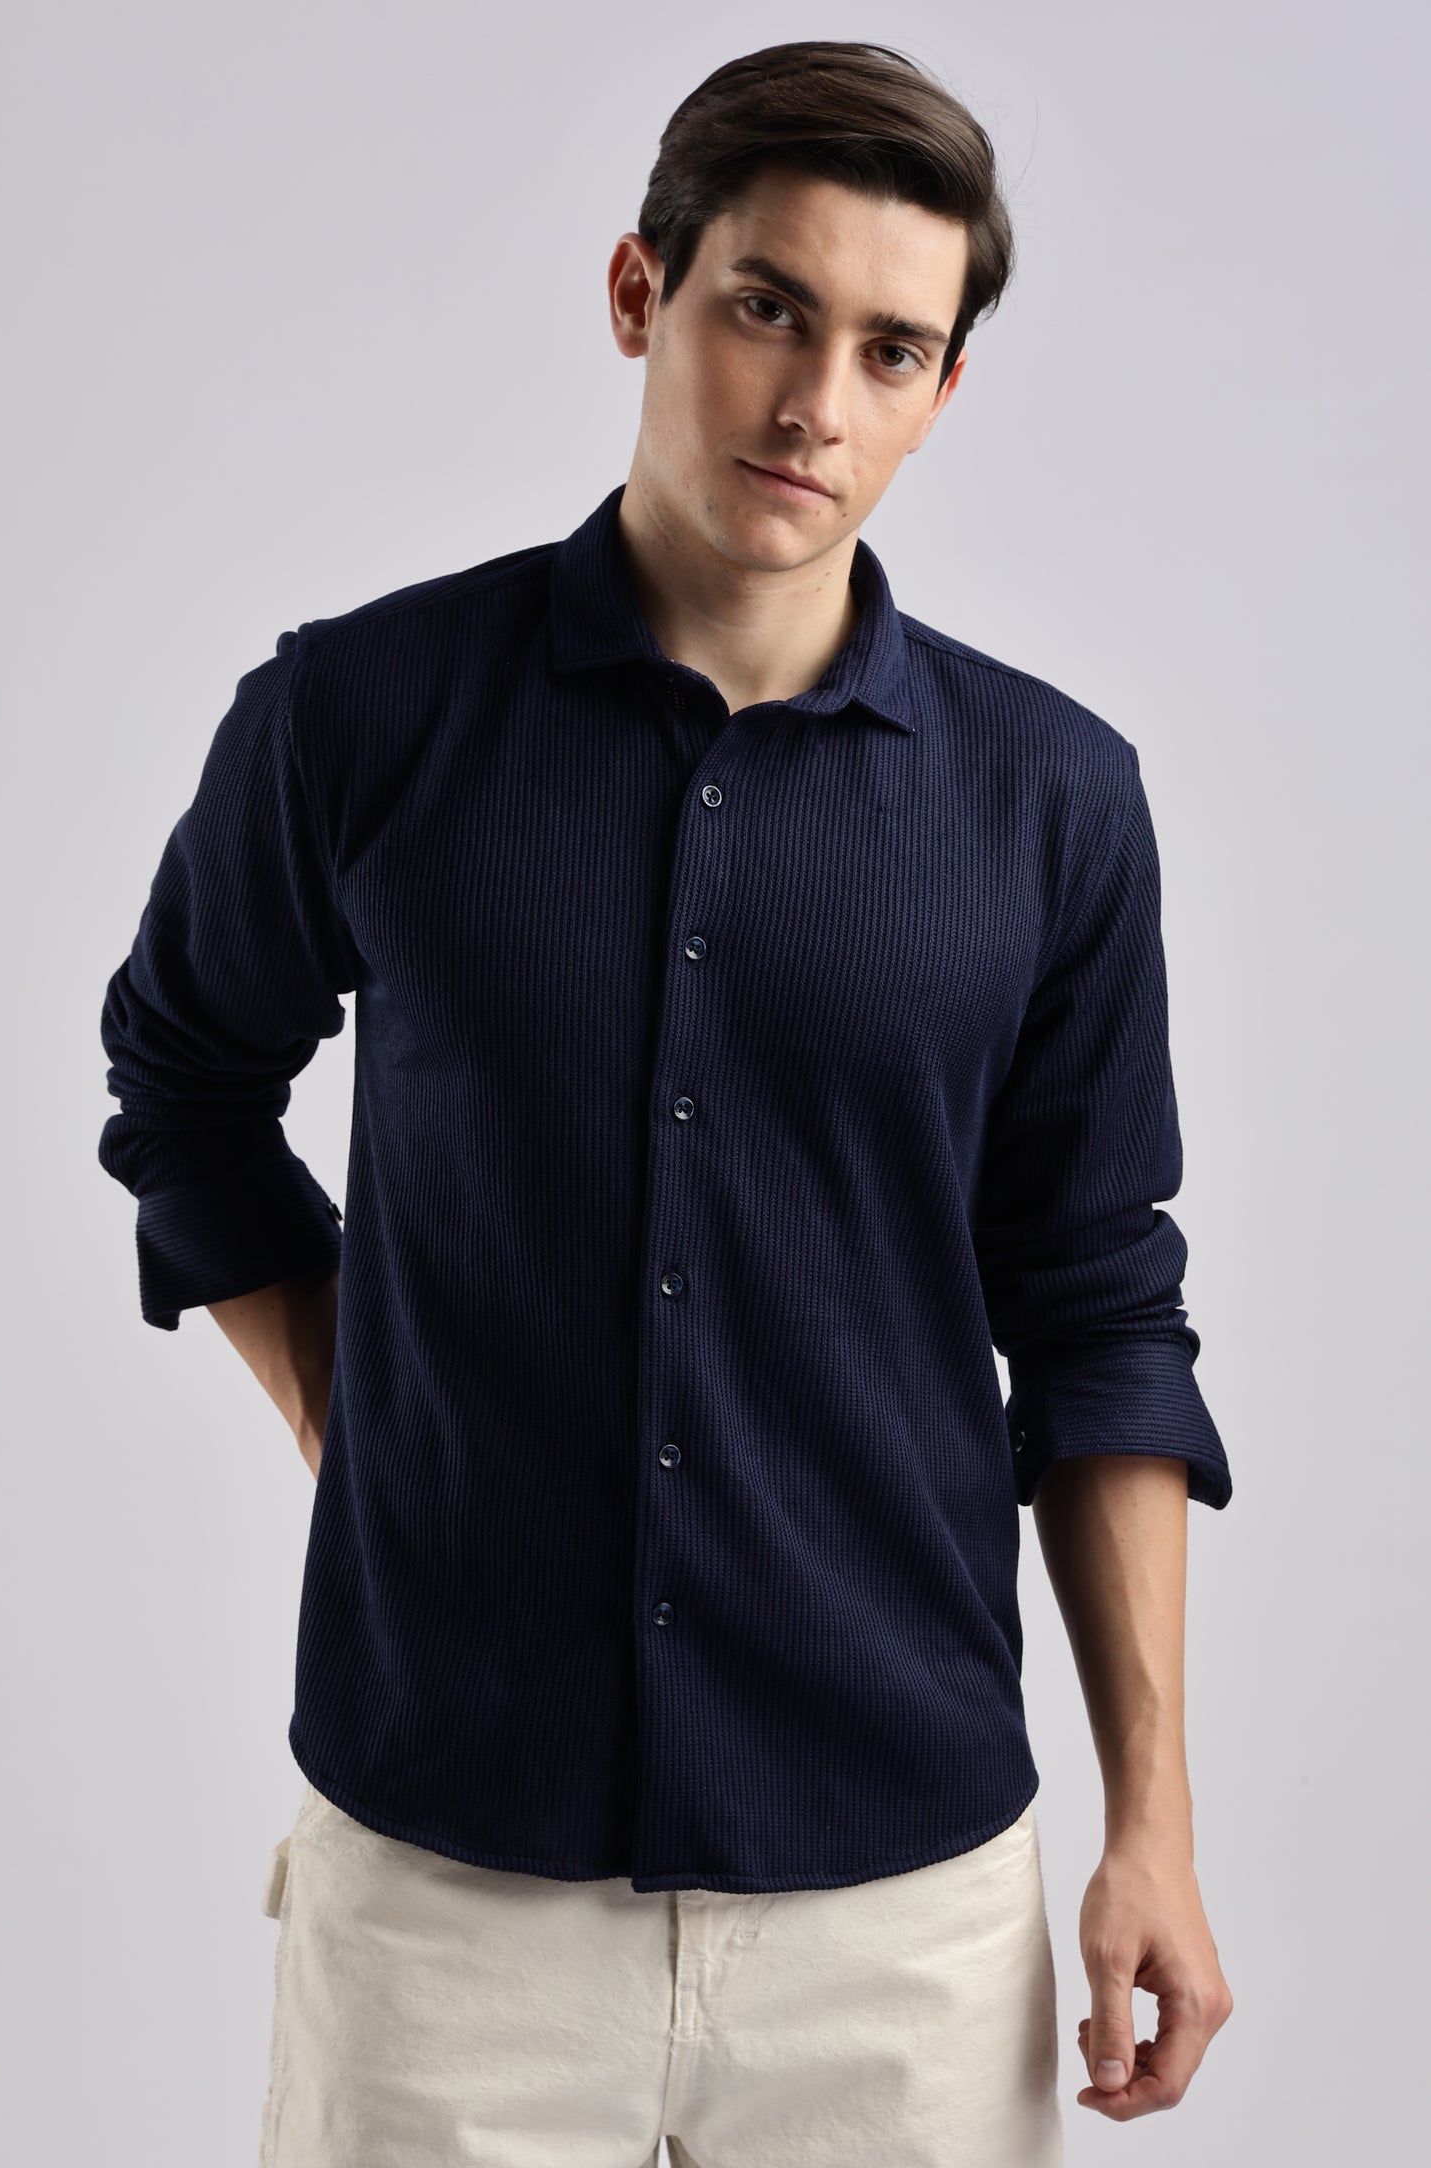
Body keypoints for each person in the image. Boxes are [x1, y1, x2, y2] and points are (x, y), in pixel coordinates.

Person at [97, 38, 1235, 2167]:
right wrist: (349, 1402)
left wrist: (1150, 1827)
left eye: (890, 349)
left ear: (942, 390)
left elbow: (1100, 1307)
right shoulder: (359, 716)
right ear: (642, 291)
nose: (815, 404)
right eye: (766, 308)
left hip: (900, 1913)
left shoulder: (1053, 803)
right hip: (445, 1885)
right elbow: (181, 1076)